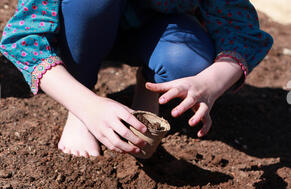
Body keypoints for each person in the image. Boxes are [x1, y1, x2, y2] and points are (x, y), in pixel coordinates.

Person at [0, 0, 273, 157]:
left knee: (189, 62)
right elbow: (24, 37)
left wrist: (209, 83)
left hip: (154, 32)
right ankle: (80, 100)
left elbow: (241, 30)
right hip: (83, 29)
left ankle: (150, 84)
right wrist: (86, 105)